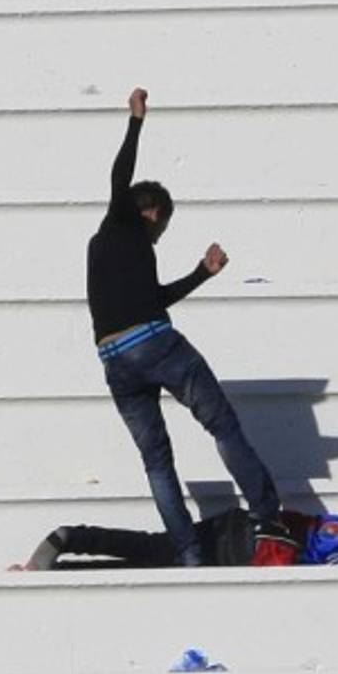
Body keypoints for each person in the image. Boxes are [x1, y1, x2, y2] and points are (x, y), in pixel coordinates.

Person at [87, 87, 283, 566]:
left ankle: (189, 554)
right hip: (153, 344)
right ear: (150, 211)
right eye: (162, 223)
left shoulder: (105, 247)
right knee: (221, 424)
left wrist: (201, 273)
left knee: (157, 461)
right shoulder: (123, 222)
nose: (160, 232)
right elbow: (120, 178)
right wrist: (136, 122)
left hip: (114, 359)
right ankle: (267, 514)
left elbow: (152, 299)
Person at [13, 507, 338, 569]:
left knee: (155, 554)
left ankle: (67, 554)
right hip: (251, 551)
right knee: (156, 560)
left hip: (246, 527)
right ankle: (68, 541)